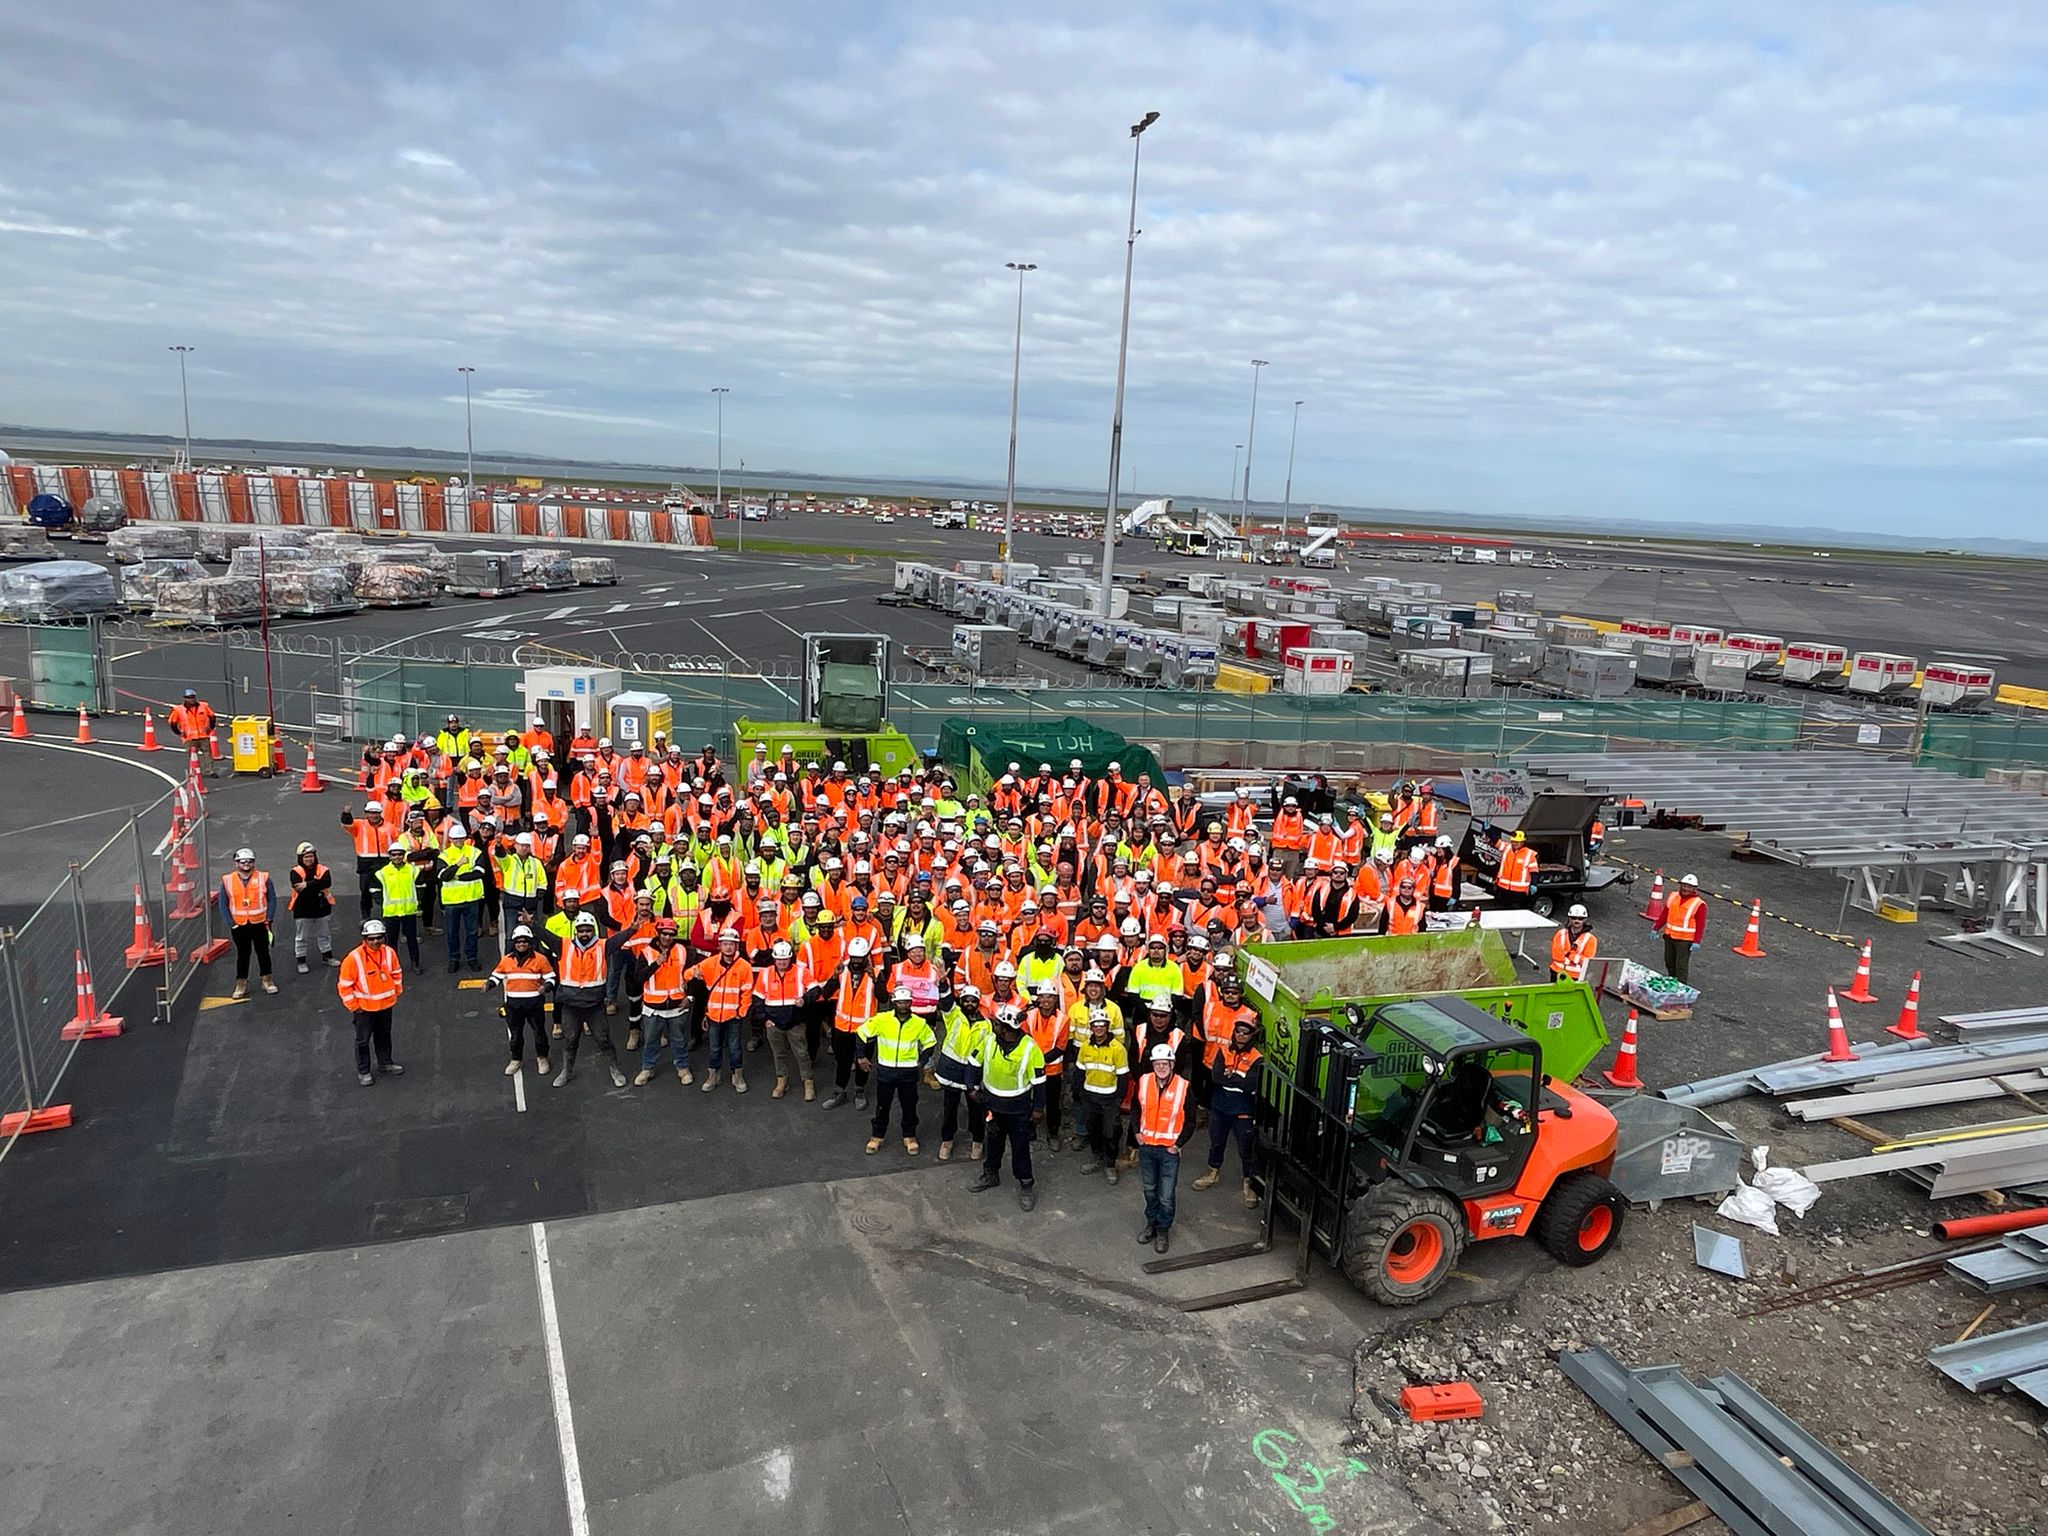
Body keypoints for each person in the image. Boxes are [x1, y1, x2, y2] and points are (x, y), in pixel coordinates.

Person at [968, 1005, 1046, 1210]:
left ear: (1005, 1028)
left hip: (1018, 1108)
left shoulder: (1030, 1048)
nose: (993, 1026)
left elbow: (1039, 1082)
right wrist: (971, 1087)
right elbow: (973, 1062)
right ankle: (990, 1174)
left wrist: (1038, 1108)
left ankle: (1026, 1184)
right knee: (993, 1141)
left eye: (996, 1024)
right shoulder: (989, 1041)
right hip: (991, 1105)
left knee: (1020, 1147)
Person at [858, 983, 938, 1155]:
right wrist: (861, 1056)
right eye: (900, 1002)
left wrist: (922, 1062)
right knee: (882, 1106)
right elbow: (862, 1033)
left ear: (911, 1002)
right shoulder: (881, 1019)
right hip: (886, 1071)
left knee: (909, 1106)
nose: (903, 1005)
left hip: (908, 1072)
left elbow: (930, 1042)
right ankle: (877, 1136)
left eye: (906, 1002)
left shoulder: (919, 1023)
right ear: (894, 1003)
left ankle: (909, 1136)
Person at [1191, 1017, 1262, 1208]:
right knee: (1216, 1142)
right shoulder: (1223, 1051)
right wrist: (1238, 1079)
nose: (1241, 1035)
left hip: (1243, 1110)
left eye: (1246, 1032)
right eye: (1238, 1031)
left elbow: (1251, 1084)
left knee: (1246, 1148)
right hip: (1220, 1107)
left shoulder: (1257, 1058)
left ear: (1252, 1035)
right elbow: (1216, 1077)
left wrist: (1230, 1076)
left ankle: (1249, 1184)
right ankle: (1212, 1173)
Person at [553, 912, 628, 1089]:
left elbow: (620, 938)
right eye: (581, 930)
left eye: (588, 930)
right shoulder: (564, 946)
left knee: (603, 1040)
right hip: (571, 1006)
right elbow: (546, 936)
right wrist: (532, 925)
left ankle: (614, 1069)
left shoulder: (603, 946)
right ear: (576, 931)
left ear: (594, 930)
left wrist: (633, 928)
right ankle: (566, 1071)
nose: (584, 934)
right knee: (570, 1040)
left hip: (595, 1007)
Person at [1134, 1043, 1196, 1253]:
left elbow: (1191, 1120)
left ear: (1172, 1064)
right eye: (1157, 1064)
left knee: (1166, 1196)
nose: (1161, 1067)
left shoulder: (1183, 1087)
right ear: (1153, 1065)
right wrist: (1136, 1132)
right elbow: (1135, 1108)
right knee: (1150, 1190)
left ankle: (1162, 1229)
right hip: (1147, 1148)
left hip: (1169, 1151)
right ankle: (1151, 1223)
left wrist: (1178, 1145)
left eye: (1165, 1063)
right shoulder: (1144, 1082)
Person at [337, 919, 405, 1087]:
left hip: (385, 1005)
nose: (375, 941)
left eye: (379, 937)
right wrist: (354, 1006)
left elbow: (396, 973)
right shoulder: (353, 959)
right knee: (363, 1041)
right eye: (371, 938)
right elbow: (344, 985)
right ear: (364, 939)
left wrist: (396, 992)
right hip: (364, 1009)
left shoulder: (389, 953)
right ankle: (364, 1071)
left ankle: (385, 1062)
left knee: (384, 1035)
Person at [690, 927, 756, 1093]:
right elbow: (688, 973)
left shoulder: (744, 966)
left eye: (731, 944)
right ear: (720, 945)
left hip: (733, 1016)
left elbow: (747, 992)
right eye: (725, 944)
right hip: (713, 1016)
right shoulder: (710, 963)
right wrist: (693, 973)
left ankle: (737, 1076)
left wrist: (742, 1012)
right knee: (714, 1048)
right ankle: (713, 1075)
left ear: (737, 946)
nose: (728, 947)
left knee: (735, 1048)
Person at [631, 919, 694, 1087]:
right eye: (664, 934)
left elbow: (693, 976)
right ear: (658, 934)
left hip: (677, 1006)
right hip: (653, 1007)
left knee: (679, 1040)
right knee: (651, 1041)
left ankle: (683, 1068)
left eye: (671, 934)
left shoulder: (683, 951)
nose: (667, 937)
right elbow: (638, 978)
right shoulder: (646, 953)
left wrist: (690, 997)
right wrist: (656, 964)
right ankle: (647, 1068)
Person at [1070, 1008, 1129, 1182]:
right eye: (1095, 1025)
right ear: (1091, 1027)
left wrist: (1118, 1100)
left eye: (1102, 1025)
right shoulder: (1085, 1047)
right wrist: (1079, 1093)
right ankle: (1097, 1158)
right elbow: (1080, 1072)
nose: (1099, 1028)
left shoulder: (1117, 1049)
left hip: (1109, 1100)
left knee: (1111, 1133)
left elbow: (1123, 1077)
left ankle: (1110, 1165)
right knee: (1093, 1130)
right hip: (1090, 1098)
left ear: (1107, 1026)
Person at [490, 925, 556, 1077]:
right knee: (515, 1035)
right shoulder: (507, 960)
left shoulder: (540, 959)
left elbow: (551, 978)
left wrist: (546, 987)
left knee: (539, 1033)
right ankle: (516, 1059)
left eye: (525, 941)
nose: (522, 944)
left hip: (534, 1004)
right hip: (513, 1005)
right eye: (519, 942)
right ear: (514, 943)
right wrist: (489, 984)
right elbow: (497, 976)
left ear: (530, 943)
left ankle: (542, 1058)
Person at [932, 984, 988, 1161]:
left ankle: (977, 1141)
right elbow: (946, 1001)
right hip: (951, 1071)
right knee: (950, 1108)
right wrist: (943, 983)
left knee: (975, 1109)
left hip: (973, 1073)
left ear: (978, 1003)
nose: (969, 1004)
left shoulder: (986, 1025)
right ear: (961, 1001)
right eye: (966, 1000)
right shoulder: (954, 1014)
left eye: (973, 1001)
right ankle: (947, 1140)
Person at [753, 940, 814, 1100]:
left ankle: (808, 1082)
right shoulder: (765, 973)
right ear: (774, 959)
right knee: (778, 1054)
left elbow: (815, 989)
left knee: (802, 1053)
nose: (782, 962)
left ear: (790, 958)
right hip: (773, 1023)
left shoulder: (801, 972)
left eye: (785, 959)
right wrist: (764, 1019)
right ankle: (782, 1081)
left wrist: (805, 999)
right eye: (779, 959)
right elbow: (757, 998)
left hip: (795, 1022)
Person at [216, 847, 278, 999]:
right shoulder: (227, 880)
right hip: (239, 925)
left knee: (263, 953)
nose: (246, 864)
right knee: (243, 955)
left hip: (260, 923)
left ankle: (267, 980)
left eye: (249, 861)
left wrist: (269, 918)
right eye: (242, 862)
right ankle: (241, 984)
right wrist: (231, 923)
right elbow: (223, 904)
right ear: (236, 863)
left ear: (253, 862)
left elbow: (272, 899)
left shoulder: (264, 878)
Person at [437, 822, 488, 973]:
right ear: (450, 839)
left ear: (465, 838)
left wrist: (459, 877)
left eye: (461, 838)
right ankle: (454, 959)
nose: (458, 841)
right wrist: (458, 864)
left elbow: (480, 872)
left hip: (471, 899)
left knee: (472, 932)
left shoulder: (475, 852)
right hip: (452, 901)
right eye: (455, 839)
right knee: (452, 933)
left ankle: (472, 958)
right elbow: (443, 876)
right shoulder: (444, 855)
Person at [287, 842, 338, 974]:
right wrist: (316, 884)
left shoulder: (323, 869)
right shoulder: (295, 871)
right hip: (302, 909)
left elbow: (327, 882)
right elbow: (299, 888)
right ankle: (301, 961)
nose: (309, 859)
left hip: (322, 908)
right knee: (301, 937)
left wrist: (307, 884)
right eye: (306, 857)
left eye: (311, 856)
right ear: (301, 858)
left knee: (324, 935)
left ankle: (327, 956)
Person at [374, 845, 425, 973]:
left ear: (403, 855)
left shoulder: (413, 870)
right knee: (391, 942)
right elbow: (375, 890)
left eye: (399, 854)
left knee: (412, 940)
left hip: (409, 911)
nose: (397, 857)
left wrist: (417, 901)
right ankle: (392, 966)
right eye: (394, 854)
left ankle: (415, 963)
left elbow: (421, 886)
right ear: (390, 856)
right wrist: (382, 902)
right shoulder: (382, 872)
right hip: (391, 913)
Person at [1661, 874, 1706, 985]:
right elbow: (1665, 914)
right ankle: (1672, 982)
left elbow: (1700, 924)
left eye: (1689, 887)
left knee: (1681, 966)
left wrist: (1697, 941)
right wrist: (1656, 927)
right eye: (1684, 885)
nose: (1685, 888)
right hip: (1669, 936)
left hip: (1684, 941)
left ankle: (1681, 988)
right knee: (1669, 961)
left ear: (1695, 889)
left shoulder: (1699, 904)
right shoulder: (1673, 896)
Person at [168, 688, 218, 776]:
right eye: (189, 697)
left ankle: (209, 770)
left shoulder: (203, 706)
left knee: (207, 753)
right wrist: (179, 733)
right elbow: (173, 723)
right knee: (193, 755)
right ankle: (195, 771)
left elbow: (212, 716)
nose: (192, 699)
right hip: (189, 738)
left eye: (193, 697)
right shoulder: (179, 710)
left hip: (203, 735)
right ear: (185, 698)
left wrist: (210, 728)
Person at [1550, 904, 1597, 983]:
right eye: (1574, 918)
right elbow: (1556, 956)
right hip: (1557, 972)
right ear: (1569, 918)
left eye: (1580, 918)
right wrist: (1575, 958)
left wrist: (1569, 955)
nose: (1577, 920)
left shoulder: (1590, 939)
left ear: (1585, 919)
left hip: (1576, 976)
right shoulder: (1560, 934)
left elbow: (1587, 961)